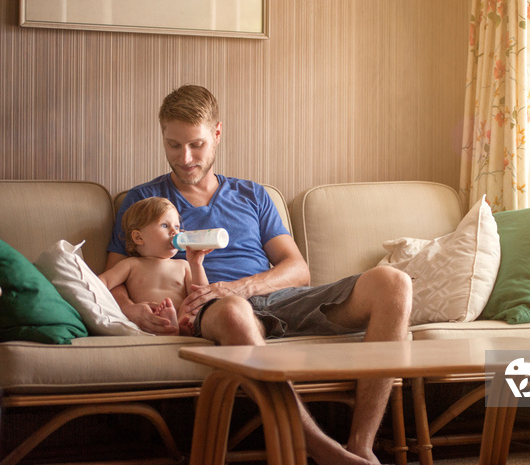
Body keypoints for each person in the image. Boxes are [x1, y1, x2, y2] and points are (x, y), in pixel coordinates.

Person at [105, 85, 413, 465]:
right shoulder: (143, 202)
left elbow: (298, 269)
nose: (184, 158)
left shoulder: (253, 195)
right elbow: (112, 279)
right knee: (234, 308)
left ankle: (361, 446)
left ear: (217, 133)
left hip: (274, 298)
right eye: (173, 145)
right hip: (211, 307)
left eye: (196, 145)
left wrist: (244, 285)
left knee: (393, 283)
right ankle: (322, 450)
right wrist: (132, 310)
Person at [99, 196, 212, 335]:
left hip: (182, 316)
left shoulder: (184, 265)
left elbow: (201, 295)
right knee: (159, 313)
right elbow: (101, 283)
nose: (175, 232)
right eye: (165, 225)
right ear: (139, 238)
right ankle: (170, 325)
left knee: (190, 307)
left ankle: (180, 325)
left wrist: (196, 265)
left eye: (177, 227)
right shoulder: (130, 264)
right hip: (148, 320)